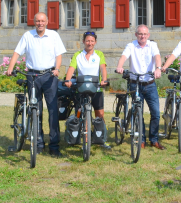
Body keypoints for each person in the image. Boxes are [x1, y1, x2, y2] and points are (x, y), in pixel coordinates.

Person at [6, 12, 66, 157]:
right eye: (37, 21)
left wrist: (57, 69)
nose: (40, 23)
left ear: (47, 21)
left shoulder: (53, 35)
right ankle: (38, 143)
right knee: (36, 110)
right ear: (34, 22)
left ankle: (54, 146)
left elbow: (59, 55)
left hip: (50, 76)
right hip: (32, 75)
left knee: (53, 111)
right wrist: (10, 68)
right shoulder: (28, 35)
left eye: (42, 21)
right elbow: (17, 52)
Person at [116, 25, 165, 150]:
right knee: (139, 113)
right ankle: (141, 139)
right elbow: (124, 57)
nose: (142, 36)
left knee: (156, 113)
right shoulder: (131, 45)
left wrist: (158, 68)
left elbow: (157, 57)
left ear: (148, 35)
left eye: (145, 34)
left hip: (150, 84)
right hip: (135, 83)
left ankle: (154, 139)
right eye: (140, 34)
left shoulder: (152, 45)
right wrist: (119, 66)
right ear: (136, 34)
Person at [64, 32, 110, 149]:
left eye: (92, 41)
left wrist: (104, 80)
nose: (90, 43)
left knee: (100, 115)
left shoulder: (99, 54)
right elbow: (71, 68)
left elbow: (103, 68)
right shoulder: (77, 55)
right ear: (83, 42)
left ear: (95, 42)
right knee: (80, 113)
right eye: (87, 41)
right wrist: (68, 80)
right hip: (81, 88)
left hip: (96, 89)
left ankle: (101, 138)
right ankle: (82, 137)